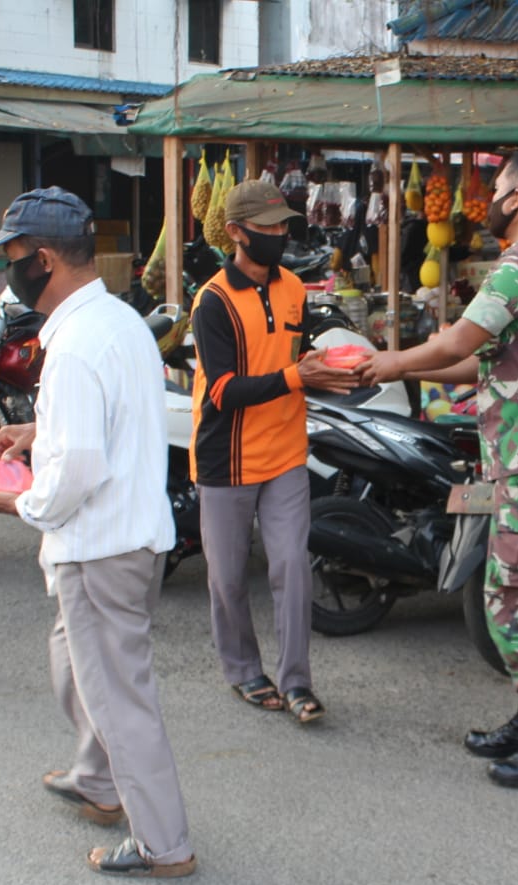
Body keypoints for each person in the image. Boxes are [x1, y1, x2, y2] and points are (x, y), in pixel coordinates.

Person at [360, 149, 518, 788]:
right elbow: (477, 362)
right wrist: (403, 367)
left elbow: (459, 340)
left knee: (517, 594)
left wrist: (393, 361)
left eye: (495, 189)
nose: (489, 200)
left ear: (517, 197)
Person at [0, 187, 194, 879]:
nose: (7, 272)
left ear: (40, 259)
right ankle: (97, 780)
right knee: (78, 667)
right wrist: (39, 431)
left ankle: (164, 843)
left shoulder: (71, 345)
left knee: (117, 695)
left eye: (11, 258)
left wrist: (16, 502)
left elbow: (77, 468)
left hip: (99, 545)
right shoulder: (119, 320)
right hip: (129, 536)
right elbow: (114, 416)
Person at [190, 180, 356, 725]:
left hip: (285, 451)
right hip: (227, 458)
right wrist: (294, 375)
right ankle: (242, 670)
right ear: (236, 233)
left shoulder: (293, 289)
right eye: (268, 228)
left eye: (284, 225)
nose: (280, 236)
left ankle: (297, 682)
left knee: (291, 566)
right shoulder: (211, 301)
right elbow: (223, 391)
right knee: (228, 578)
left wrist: (326, 373)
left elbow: (296, 354)